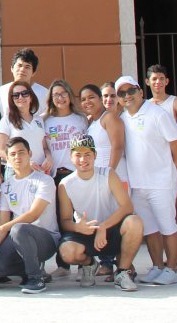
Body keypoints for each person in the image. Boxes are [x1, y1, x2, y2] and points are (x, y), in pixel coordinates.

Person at [115, 75, 177, 285]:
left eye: (131, 91)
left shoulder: (157, 114)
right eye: (122, 93)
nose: (127, 96)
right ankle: (157, 266)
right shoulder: (122, 118)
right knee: (151, 228)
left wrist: (171, 171)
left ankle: (172, 269)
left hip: (161, 183)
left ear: (140, 91)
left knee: (167, 226)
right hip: (137, 185)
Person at [57, 134, 143, 292]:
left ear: (95, 155)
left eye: (87, 154)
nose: (83, 159)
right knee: (67, 252)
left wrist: (103, 226)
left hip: (111, 229)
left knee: (134, 222)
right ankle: (89, 264)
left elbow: (127, 206)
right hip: (86, 232)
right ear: (71, 157)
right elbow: (65, 221)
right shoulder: (65, 184)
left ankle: (122, 272)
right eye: (78, 155)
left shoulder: (108, 174)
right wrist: (78, 227)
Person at [0, 137, 60, 294]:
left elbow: (33, 215)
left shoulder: (45, 180)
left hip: (46, 238)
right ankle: (28, 270)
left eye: (21, 152)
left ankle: (36, 279)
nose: (17, 157)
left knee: (19, 229)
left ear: (30, 154)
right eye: (13, 154)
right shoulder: (6, 186)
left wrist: (1, 229)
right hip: (18, 237)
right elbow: (3, 222)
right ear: (7, 158)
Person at [145, 64, 177, 273]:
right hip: (151, 171)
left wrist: (175, 165)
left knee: (176, 211)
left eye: (161, 78)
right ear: (147, 82)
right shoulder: (145, 106)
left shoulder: (174, 102)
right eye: (154, 79)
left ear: (167, 81)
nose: (158, 82)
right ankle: (161, 261)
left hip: (173, 167)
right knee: (155, 217)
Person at [79, 83, 128, 278]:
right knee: (105, 220)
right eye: (83, 99)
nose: (87, 102)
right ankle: (108, 264)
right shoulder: (91, 122)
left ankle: (126, 267)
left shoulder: (109, 118)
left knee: (120, 222)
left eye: (91, 97)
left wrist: (109, 174)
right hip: (100, 181)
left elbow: (117, 147)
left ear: (100, 99)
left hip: (115, 179)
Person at [44, 79, 87, 278]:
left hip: (76, 174)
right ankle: (63, 264)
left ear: (70, 95)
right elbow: (44, 146)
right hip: (56, 176)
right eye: (55, 95)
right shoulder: (46, 121)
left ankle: (85, 262)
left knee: (82, 217)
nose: (60, 98)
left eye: (63, 93)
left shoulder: (80, 119)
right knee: (62, 219)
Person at [0, 80, 52, 179]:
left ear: (31, 97)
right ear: (12, 99)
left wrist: (49, 157)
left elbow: (44, 147)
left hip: (39, 171)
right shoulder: (6, 120)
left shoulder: (38, 120)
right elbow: (0, 150)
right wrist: (24, 162)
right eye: (16, 95)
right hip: (16, 172)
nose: (20, 97)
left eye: (25, 93)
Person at [0, 48, 49, 118]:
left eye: (27, 67)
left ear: (33, 72)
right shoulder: (1, 91)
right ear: (12, 68)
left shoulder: (44, 93)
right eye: (19, 65)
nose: (22, 70)